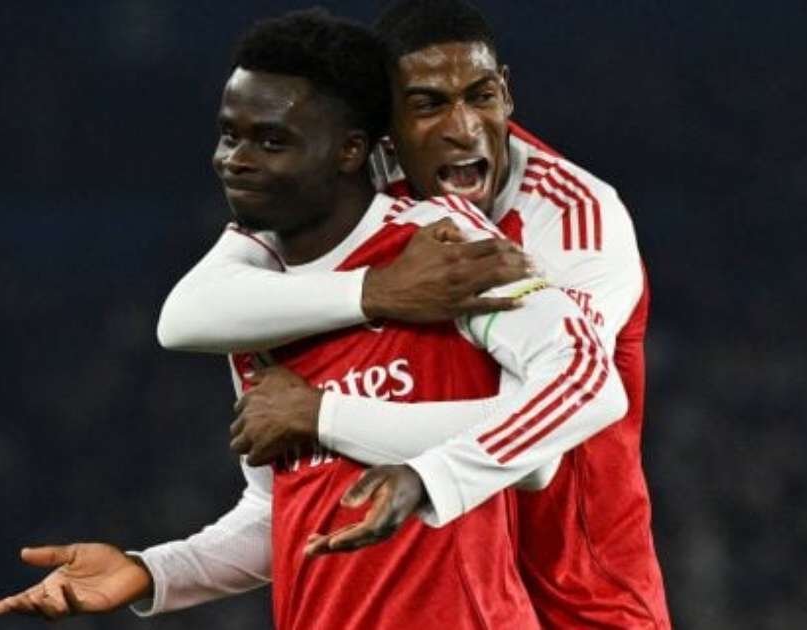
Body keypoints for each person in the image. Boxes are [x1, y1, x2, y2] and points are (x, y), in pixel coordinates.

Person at [0, 9, 626, 629]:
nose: (234, 160)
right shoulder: (259, 304)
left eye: (273, 141)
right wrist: (151, 571)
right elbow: (279, 510)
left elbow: (587, 384)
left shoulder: (449, 249)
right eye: (229, 135)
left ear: (351, 150)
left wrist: (402, 461)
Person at [159, 1, 671, 627]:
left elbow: (549, 428)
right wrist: (379, 291)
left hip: (586, 597)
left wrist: (321, 416)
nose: (464, 129)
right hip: (456, 590)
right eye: (428, 105)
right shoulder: (352, 191)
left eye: (480, 96)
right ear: (382, 129)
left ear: (507, 92)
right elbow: (187, 314)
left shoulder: (572, 217)